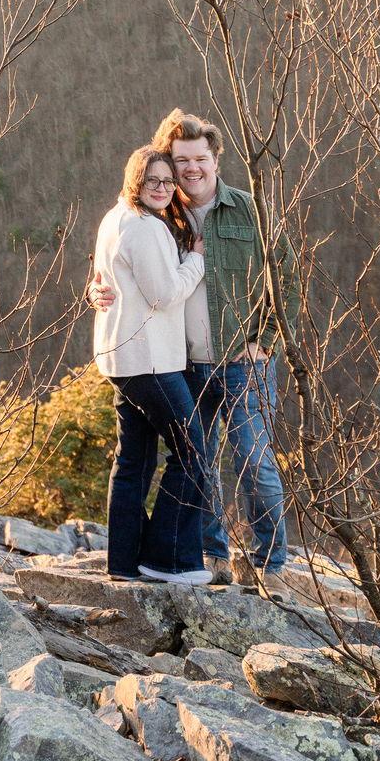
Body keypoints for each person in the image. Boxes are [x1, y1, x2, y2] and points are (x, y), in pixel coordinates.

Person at [89, 109, 290, 591]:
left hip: (241, 361)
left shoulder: (248, 209)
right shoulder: (161, 211)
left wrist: (268, 339)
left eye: (200, 158)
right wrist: (93, 288)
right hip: (182, 362)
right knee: (200, 463)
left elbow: (286, 277)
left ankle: (270, 566)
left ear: (216, 159)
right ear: (166, 164)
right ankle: (213, 556)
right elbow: (123, 265)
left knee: (253, 462)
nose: (191, 169)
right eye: (181, 161)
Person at [93, 145, 212, 583]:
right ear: (135, 182)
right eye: (152, 181)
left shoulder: (115, 217)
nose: (162, 188)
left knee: (135, 461)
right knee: (192, 451)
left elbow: (115, 281)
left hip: (122, 357)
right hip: (150, 361)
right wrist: (196, 259)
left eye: (167, 181)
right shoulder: (144, 228)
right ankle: (170, 559)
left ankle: (124, 564)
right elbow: (163, 294)